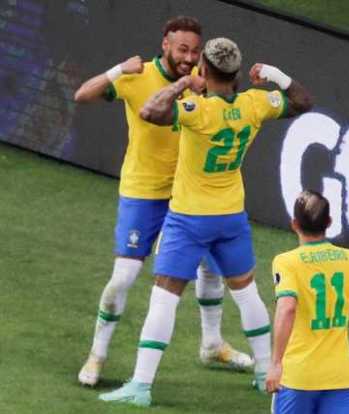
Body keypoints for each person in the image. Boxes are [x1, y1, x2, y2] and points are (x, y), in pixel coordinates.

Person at [98, 37, 313, 407]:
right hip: (230, 215)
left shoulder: (196, 109)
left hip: (188, 218)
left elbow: (150, 112)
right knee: (246, 292)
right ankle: (265, 374)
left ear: (204, 71)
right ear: (238, 73)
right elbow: (302, 101)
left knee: (164, 298)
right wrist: (276, 75)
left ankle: (141, 385)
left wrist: (181, 84)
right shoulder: (255, 104)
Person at [73, 16, 252, 387]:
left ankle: (212, 343)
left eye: (195, 51)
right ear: (165, 44)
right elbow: (83, 94)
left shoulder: (206, 85)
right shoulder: (137, 76)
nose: (188, 58)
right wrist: (118, 69)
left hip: (189, 195)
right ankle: (97, 355)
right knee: (122, 279)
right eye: (182, 49)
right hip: (143, 191)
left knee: (211, 269)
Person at [267, 190, 349, 414]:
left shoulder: (286, 262)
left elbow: (287, 308)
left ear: (294, 224)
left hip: (298, 378)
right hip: (340, 378)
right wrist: (344, 306)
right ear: (329, 222)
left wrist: (275, 364)